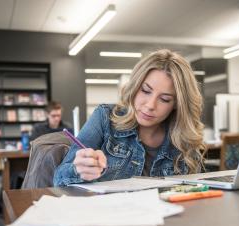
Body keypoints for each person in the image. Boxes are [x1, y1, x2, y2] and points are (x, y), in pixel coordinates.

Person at [54, 49, 206, 186]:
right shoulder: (105, 117)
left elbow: (197, 191)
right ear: (135, 87)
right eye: (145, 90)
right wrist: (77, 170)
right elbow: (58, 179)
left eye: (165, 99)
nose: (150, 105)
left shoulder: (183, 137)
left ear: (177, 104)